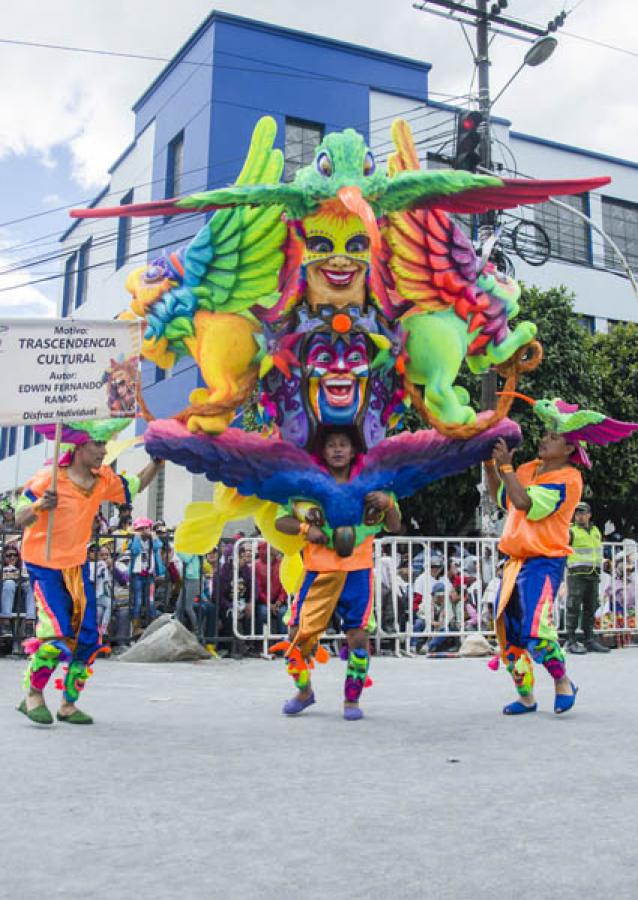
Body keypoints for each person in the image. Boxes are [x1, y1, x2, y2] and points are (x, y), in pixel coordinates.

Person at [14, 421, 163, 726]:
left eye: (105, 444)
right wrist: (41, 504)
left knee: (87, 637)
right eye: (97, 443)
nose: (103, 450)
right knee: (55, 632)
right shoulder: (49, 479)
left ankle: (68, 705)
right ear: (78, 446)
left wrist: (157, 462)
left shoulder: (102, 479)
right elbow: (19, 517)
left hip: (76, 565)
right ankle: (33, 695)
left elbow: (133, 485)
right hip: (44, 565)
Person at [274, 428, 402, 721]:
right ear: (323, 452)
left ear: (354, 450)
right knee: (296, 634)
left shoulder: (373, 485)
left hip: (357, 571)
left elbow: (395, 527)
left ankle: (351, 699)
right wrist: (308, 529)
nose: (337, 450)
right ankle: (304, 692)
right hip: (317, 571)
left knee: (358, 635)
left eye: (343, 444)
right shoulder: (306, 487)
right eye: (331, 445)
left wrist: (389, 504)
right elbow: (282, 521)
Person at [484, 431, 581, 716]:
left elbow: (525, 504)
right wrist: (491, 466)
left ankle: (563, 682)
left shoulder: (569, 478)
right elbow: (503, 498)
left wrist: (505, 468)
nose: (544, 439)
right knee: (509, 634)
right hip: (515, 561)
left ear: (569, 448)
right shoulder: (527, 469)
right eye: (545, 434)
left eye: (553, 437)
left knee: (537, 631)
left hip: (544, 561)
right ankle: (526, 697)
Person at [564, 502, 608, 654]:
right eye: (577, 513)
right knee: (573, 607)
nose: (580, 516)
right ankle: (570, 640)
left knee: (591, 606)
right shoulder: (571, 531)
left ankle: (589, 639)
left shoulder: (596, 530)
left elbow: (597, 551)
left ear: (589, 515)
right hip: (577, 574)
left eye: (583, 513)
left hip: (593, 574)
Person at [129, 517, 165, 636]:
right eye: (141, 528)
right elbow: (135, 550)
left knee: (150, 600)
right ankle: (136, 627)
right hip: (137, 574)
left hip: (149, 575)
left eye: (146, 528)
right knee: (138, 601)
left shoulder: (152, 540)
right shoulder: (135, 539)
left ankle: (153, 627)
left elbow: (158, 546)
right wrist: (137, 537)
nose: (144, 530)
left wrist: (154, 537)